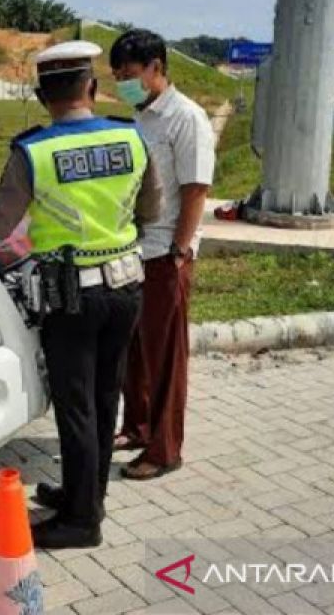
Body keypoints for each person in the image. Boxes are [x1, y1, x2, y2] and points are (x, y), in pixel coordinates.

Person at [0, 40, 159, 549]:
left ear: (42, 96)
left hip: (70, 295)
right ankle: (88, 496)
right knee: (105, 399)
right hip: (126, 286)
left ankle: (82, 523)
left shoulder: (34, 150)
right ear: (94, 88)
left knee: (76, 405)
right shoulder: (131, 138)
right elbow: (152, 208)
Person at [108, 28, 215, 481]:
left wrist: (178, 250)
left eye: (130, 74)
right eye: (117, 75)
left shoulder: (185, 118)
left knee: (166, 355)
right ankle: (137, 425)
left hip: (165, 252)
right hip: (136, 249)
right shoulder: (141, 116)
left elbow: (195, 189)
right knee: (135, 349)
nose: (123, 82)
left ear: (157, 68)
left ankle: (165, 448)